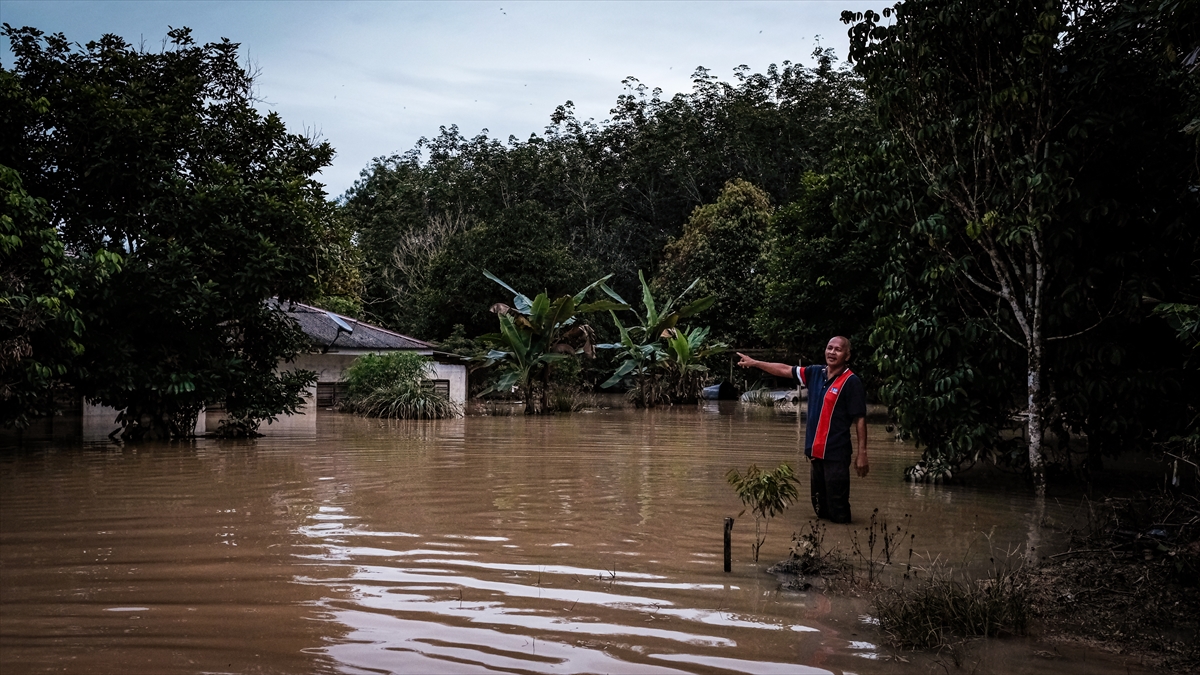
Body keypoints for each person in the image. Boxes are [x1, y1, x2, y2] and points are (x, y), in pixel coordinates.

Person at [736, 337, 868, 523]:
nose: (832, 352)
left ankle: (843, 541)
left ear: (847, 356)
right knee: (819, 506)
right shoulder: (815, 373)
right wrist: (755, 363)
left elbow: (860, 418)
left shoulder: (851, 381)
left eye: (838, 350)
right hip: (815, 452)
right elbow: (784, 369)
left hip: (836, 454)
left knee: (838, 507)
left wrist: (862, 453)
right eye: (829, 348)